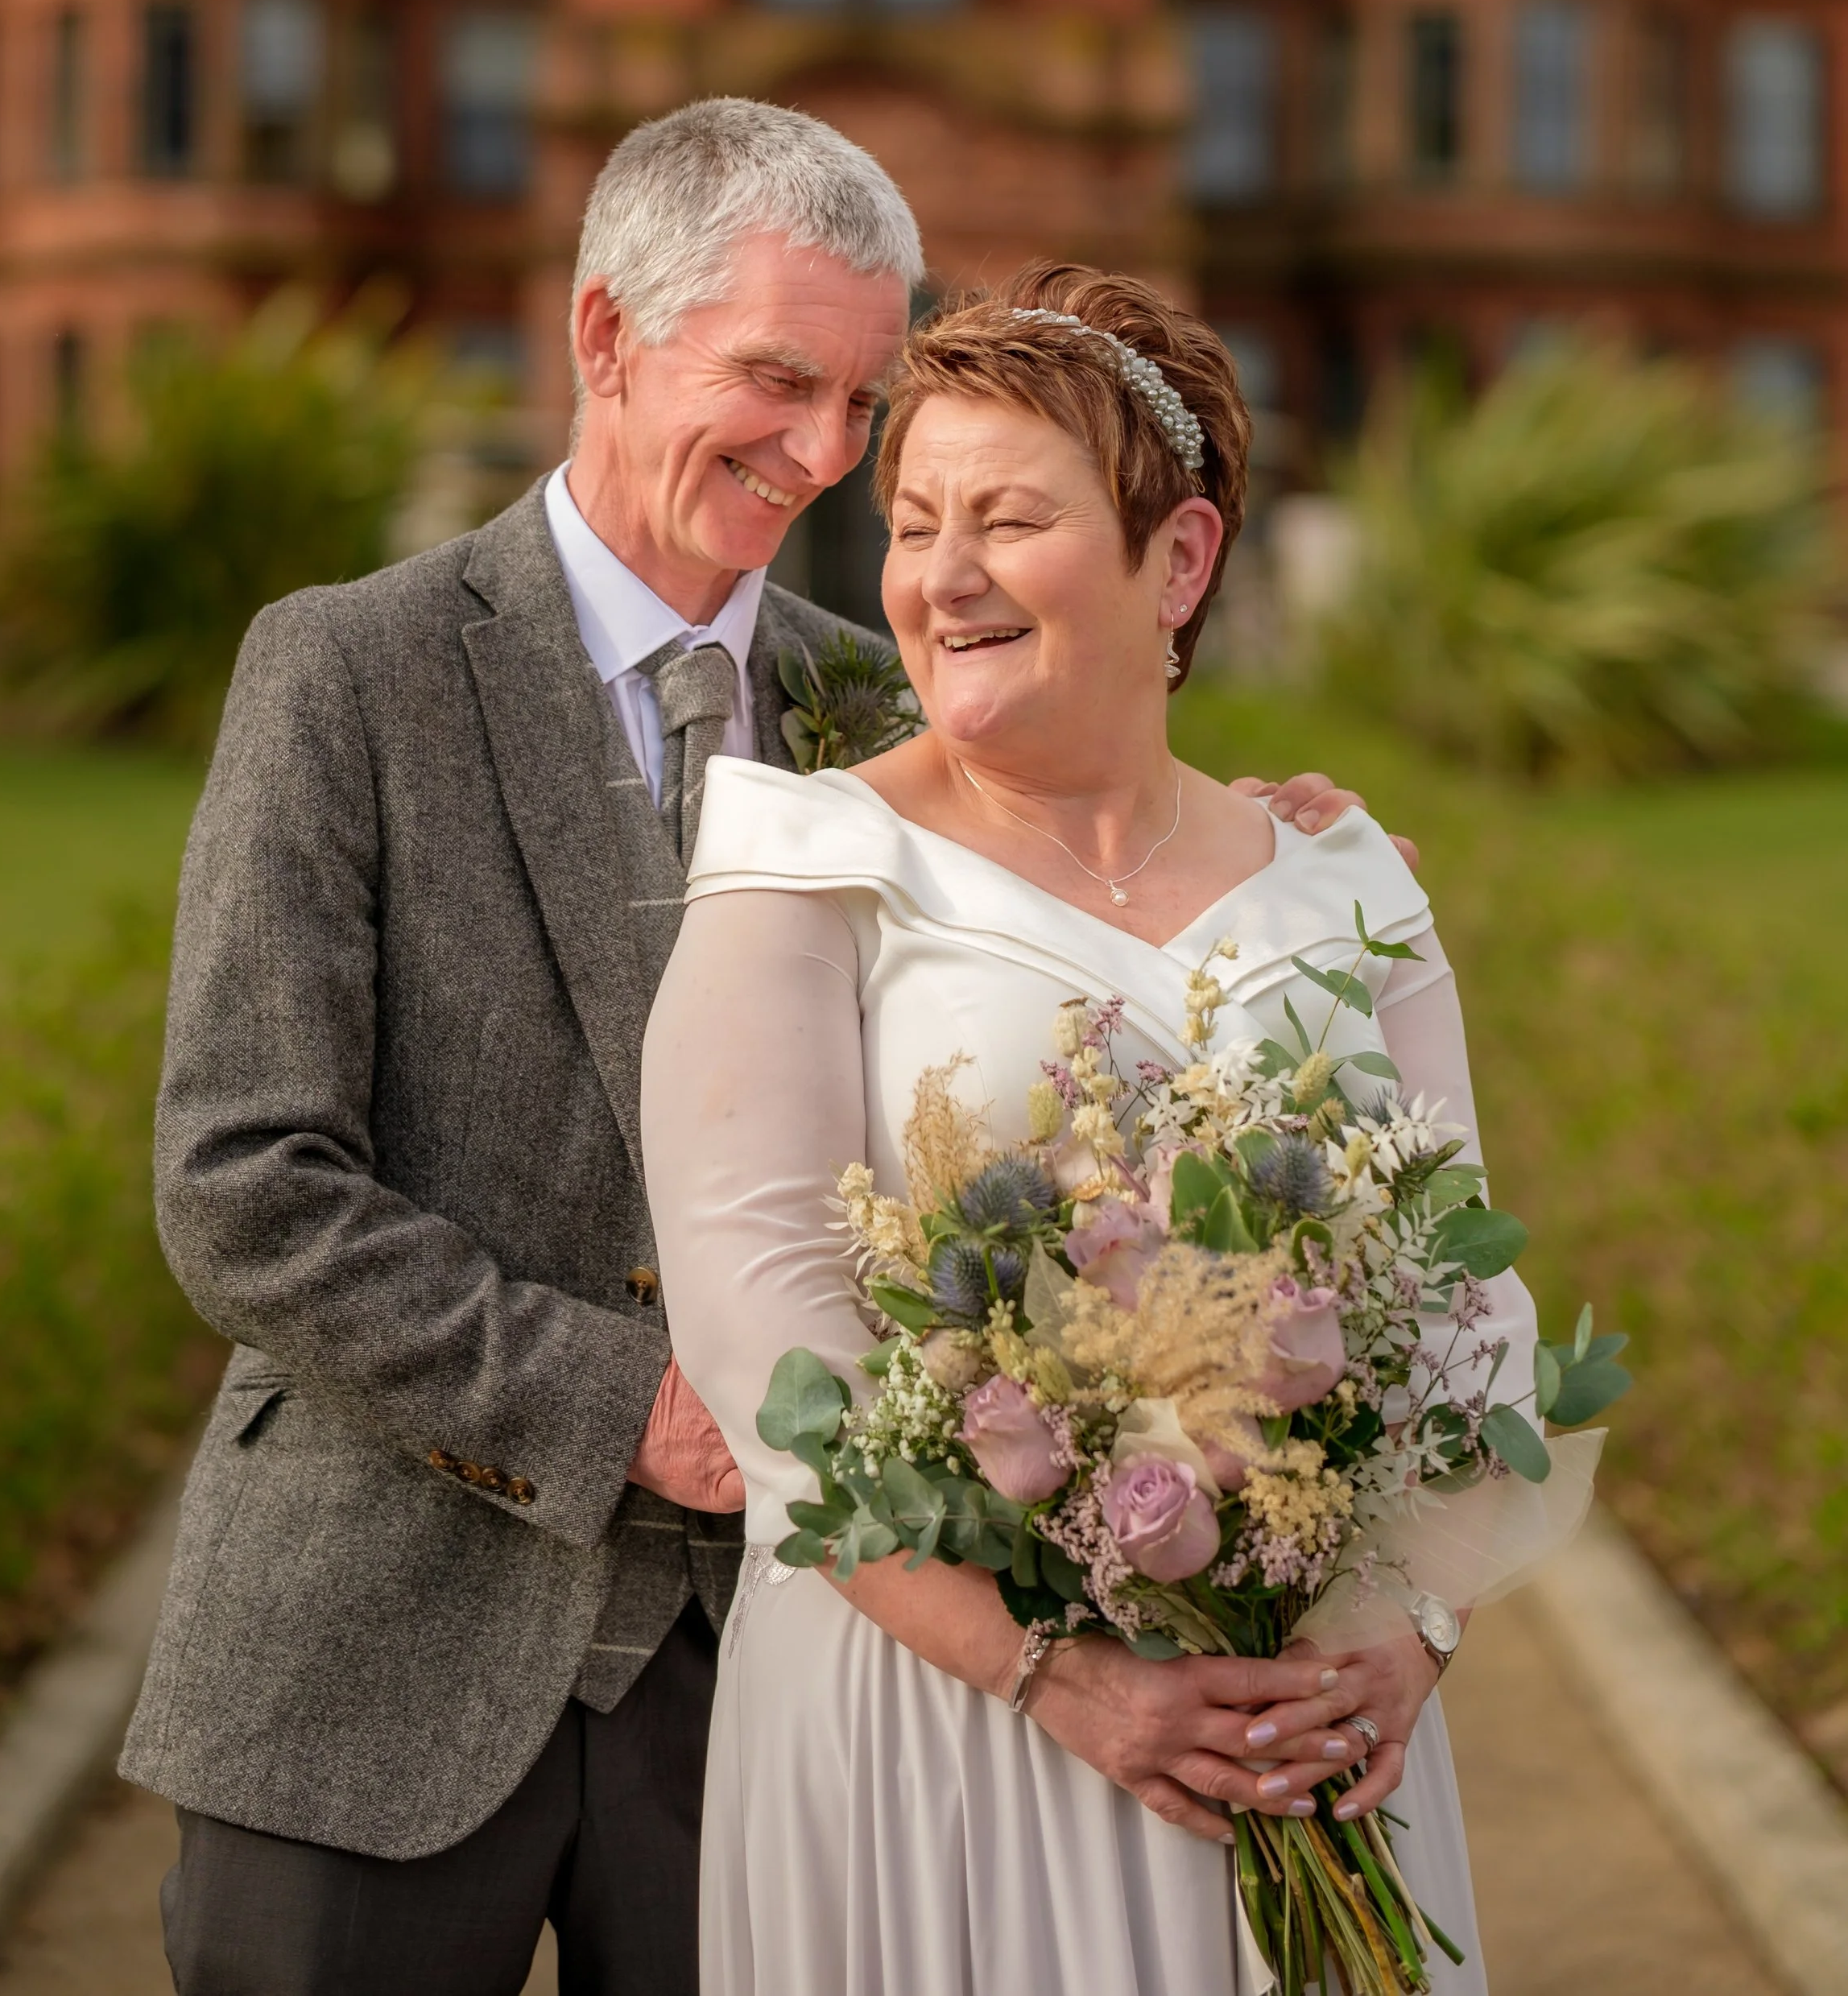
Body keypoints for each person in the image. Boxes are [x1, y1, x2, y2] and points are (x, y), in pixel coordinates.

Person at [122, 97, 1385, 1996]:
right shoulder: (349, 671)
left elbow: (1081, 953)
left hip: (774, 1693)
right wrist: (624, 1404)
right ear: (604, 336)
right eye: (776, 380)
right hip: (362, 1652)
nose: (820, 456)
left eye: (860, 403)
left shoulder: (890, 697)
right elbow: (242, 1184)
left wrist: (1266, 846)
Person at [641, 267, 1526, 1996]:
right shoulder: (801, 866)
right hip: (934, 1731)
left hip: (1299, 1730)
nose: (940, 573)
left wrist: (1400, 1642)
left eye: (1007, 518)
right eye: (910, 524)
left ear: (1176, 562)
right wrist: (1060, 1681)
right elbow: (772, 1362)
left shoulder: (1344, 888)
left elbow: (1466, 1321)